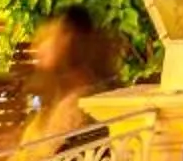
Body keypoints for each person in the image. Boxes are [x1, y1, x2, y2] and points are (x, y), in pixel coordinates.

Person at [15, 12, 120, 151]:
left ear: (71, 41)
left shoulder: (77, 106)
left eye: (46, 38)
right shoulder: (55, 101)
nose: (35, 49)